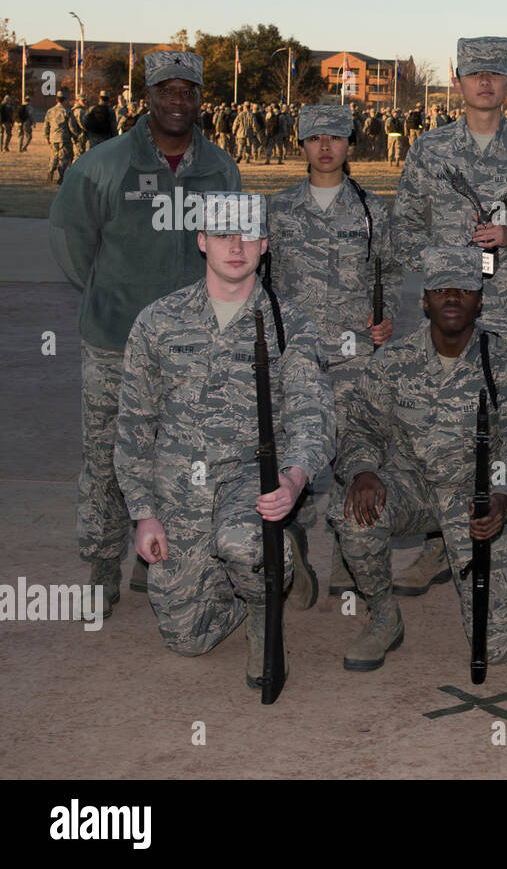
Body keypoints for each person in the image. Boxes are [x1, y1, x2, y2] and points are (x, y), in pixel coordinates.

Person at [48, 50, 242, 617]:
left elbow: (234, 252)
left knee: (178, 457)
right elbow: (70, 241)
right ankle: (103, 563)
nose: (177, 101)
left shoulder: (220, 169)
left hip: (189, 347)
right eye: (166, 90)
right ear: (148, 97)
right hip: (114, 339)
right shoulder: (104, 164)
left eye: (188, 91)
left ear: (200, 99)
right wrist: (110, 294)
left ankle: (154, 556)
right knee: (109, 456)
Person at [114, 191, 333, 688]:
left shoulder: (289, 325)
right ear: (201, 242)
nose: (236, 246)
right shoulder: (158, 321)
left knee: (240, 541)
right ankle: (258, 572)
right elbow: (133, 425)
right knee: (186, 639)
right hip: (178, 493)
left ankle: (263, 611)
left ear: (266, 245)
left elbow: (313, 414)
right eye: (222, 235)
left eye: (248, 235)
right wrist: (143, 511)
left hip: (250, 481)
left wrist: (293, 480)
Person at [390, 35, 507, 587]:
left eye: (495, 74)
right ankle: (443, 537)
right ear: (457, 80)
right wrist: (444, 266)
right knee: (443, 421)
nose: (484, 82)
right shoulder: (430, 150)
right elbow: (402, 229)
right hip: (446, 315)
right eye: (474, 73)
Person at [331, 246, 507, 670]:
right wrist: (363, 470)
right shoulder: (394, 361)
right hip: (413, 485)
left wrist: (504, 497)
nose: (452, 298)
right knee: (356, 515)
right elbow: (361, 428)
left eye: (464, 289)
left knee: (497, 647)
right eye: (441, 290)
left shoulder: (506, 364)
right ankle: (383, 616)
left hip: (478, 499)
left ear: (479, 300)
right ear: (425, 300)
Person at [266, 104, 406, 598]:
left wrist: (387, 320)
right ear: (300, 146)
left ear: (351, 145)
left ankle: (352, 553)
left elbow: (387, 272)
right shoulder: (277, 210)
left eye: (336, 138)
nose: (325, 147)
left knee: (355, 456)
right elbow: (260, 282)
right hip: (297, 358)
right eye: (314, 138)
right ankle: (293, 550)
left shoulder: (372, 210)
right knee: (293, 458)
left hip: (354, 358)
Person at [44, 89, 80, 184]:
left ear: (57, 100)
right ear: (65, 100)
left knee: (53, 156)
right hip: (64, 138)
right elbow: (71, 127)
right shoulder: (67, 111)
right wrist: (75, 136)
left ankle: (50, 171)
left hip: (53, 138)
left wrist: (47, 137)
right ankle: (61, 177)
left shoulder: (50, 111)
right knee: (63, 158)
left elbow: (46, 126)